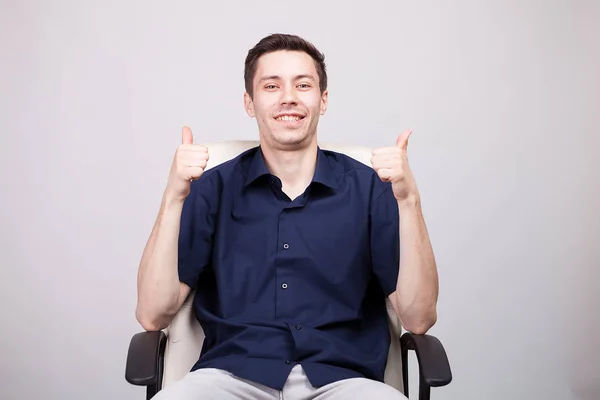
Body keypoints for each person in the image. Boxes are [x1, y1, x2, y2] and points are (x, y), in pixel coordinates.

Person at [135, 33, 439, 399]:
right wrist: (173, 196)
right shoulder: (211, 187)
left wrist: (409, 201)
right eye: (271, 85)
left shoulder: (370, 188)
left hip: (343, 380)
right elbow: (152, 316)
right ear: (250, 102)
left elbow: (419, 318)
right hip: (231, 377)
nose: (288, 97)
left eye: (303, 84)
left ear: (323, 99)